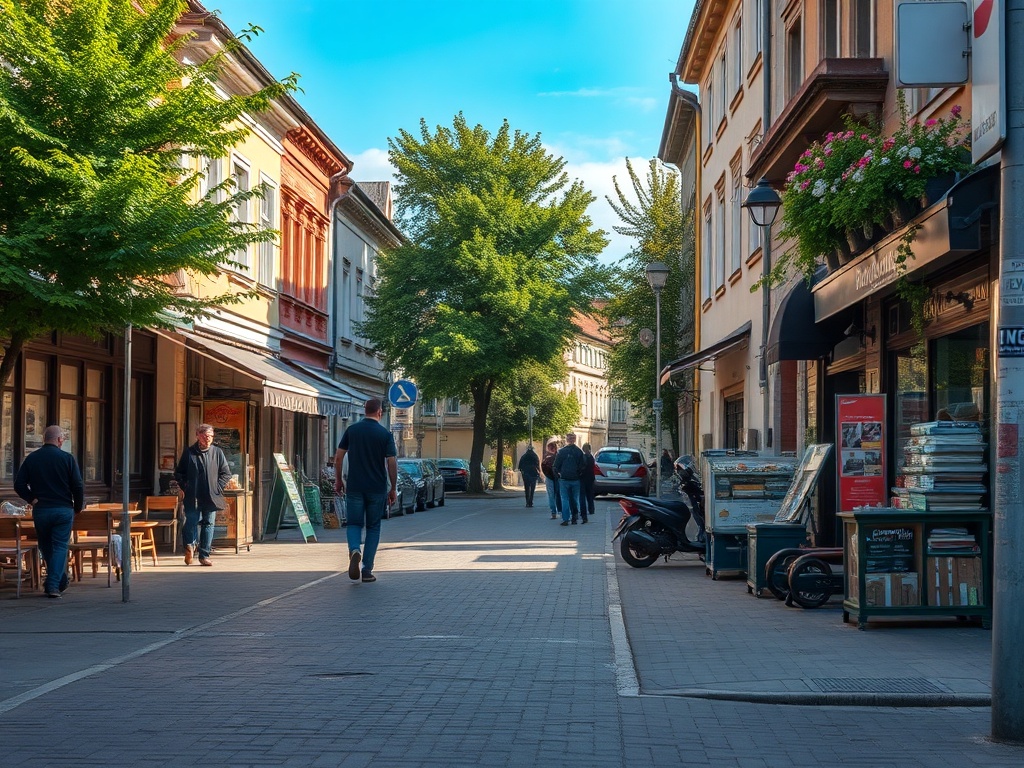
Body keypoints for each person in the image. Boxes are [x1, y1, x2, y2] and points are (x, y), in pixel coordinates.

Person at [14, 425, 84, 598]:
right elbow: (78, 485)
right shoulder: (67, 459)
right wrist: (77, 507)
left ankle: (59, 581)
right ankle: (53, 585)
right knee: (60, 546)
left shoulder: (32, 458)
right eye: (64, 439)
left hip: (42, 510)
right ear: (59, 440)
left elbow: (19, 484)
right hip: (63, 509)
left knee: (46, 546)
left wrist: (31, 499)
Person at [334, 398, 397, 583]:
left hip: (354, 486)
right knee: (373, 527)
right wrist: (393, 487)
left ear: (364, 410)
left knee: (353, 524)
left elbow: (338, 457)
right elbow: (391, 462)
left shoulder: (352, 430)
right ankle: (367, 570)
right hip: (377, 488)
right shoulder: (384, 434)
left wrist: (338, 480)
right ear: (380, 412)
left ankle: (354, 549)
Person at [174, 423, 231, 567]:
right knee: (192, 521)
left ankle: (204, 555)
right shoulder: (189, 452)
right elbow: (179, 473)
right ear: (198, 436)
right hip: (193, 495)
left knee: (208, 523)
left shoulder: (217, 452)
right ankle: (189, 545)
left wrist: (217, 487)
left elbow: (226, 473)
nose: (208, 439)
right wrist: (186, 486)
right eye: (205, 436)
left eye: (211, 436)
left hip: (211, 496)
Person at [553, 432, 587, 526]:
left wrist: (558, 475)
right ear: (575, 440)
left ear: (566, 440)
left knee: (565, 499)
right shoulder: (579, 452)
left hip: (564, 479)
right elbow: (583, 465)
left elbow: (555, 466)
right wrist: (579, 474)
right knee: (575, 499)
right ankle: (574, 517)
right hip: (575, 479)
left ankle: (565, 519)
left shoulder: (561, 451)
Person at [540, 440, 561, 520]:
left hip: (549, 478)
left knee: (551, 495)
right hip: (558, 478)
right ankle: (560, 511)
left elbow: (543, 466)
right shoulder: (559, 456)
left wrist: (546, 475)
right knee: (558, 494)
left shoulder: (547, 458)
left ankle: (553, 512)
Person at [580, 442, 596, 524]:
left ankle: (585, 511)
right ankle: (591, 509)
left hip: (583, 478)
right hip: (590, 478)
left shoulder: (583, 457)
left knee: (583, 495)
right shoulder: (591, 457)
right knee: (590, 494)